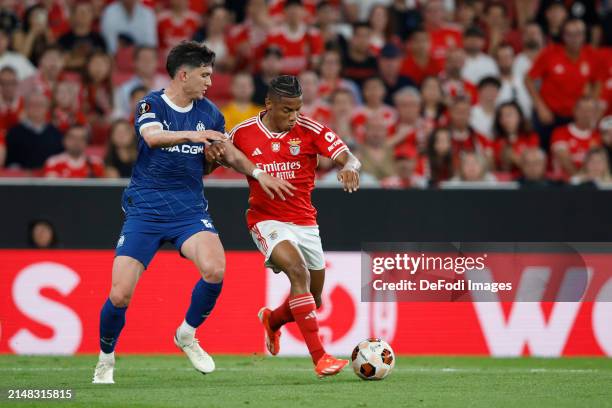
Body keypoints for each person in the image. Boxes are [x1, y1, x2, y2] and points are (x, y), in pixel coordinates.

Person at [92, 41, 294, 384]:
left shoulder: (210, 112)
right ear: (183, 75)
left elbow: (222, 155)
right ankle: (105, 358)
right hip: (146, 209)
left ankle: (186, 333)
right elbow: (153, 139)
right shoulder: (150, 103)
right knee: (120, 294)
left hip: (188, 210)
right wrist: (196, 136)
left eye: (211, 75)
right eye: (204, 74)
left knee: (215, 269)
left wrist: (257, 173)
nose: (209, 82)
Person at [206, 75, 361, 377]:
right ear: (269, 104)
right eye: (287, 110)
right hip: (266, 220)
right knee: (297, 272)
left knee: (313, 299)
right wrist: (210, 156)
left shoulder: (310, 129)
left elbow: (349, 157)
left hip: (305, 221)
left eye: (297, 109)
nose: (293, 117)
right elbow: (213, 163)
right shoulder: (244, 132)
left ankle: (272, 321)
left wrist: (350, 169)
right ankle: (321, 358)